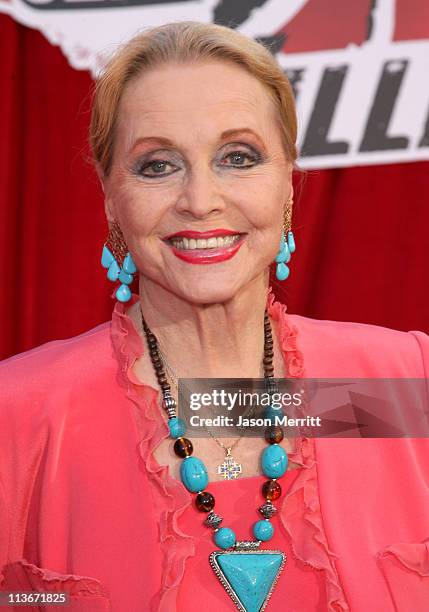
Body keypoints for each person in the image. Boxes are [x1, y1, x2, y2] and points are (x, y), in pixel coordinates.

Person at [1, 20, 428, 612]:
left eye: (238, 157)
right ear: (110, 198)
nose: (200, 200)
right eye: (158, 165)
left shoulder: (401, 385)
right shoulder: (22, 414)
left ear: (288, 185)